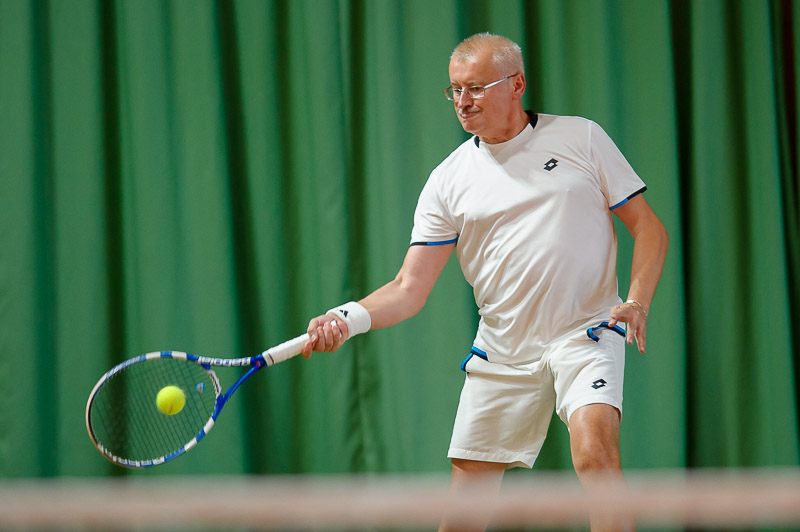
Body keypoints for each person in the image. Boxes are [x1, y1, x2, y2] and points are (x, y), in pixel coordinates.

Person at [302, 32, 668, 532]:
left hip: (586, 332)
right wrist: (346, 319)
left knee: (596, 453)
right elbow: (409, 287)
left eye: (475, 88)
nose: (462, 101)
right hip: (501, 351)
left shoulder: (581, 138)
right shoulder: (447, 180)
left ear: (516, 84)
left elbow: (649, 228)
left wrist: (637, 302)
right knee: (464, 514)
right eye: (454, 90)